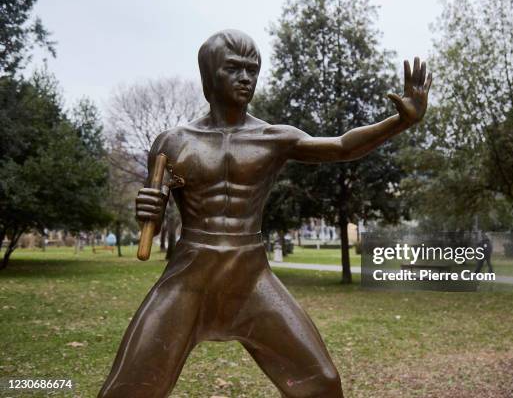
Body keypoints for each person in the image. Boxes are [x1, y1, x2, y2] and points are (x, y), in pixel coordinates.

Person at [98, 29, 431, 398]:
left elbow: (340, 147)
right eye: (234, 69)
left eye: (252, 70)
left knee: (322, 383)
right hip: (188, 278)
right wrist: (148, 207)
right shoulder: (173, 143)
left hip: (251, 279)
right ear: (210, 75)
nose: (246, 78)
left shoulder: (273, 138)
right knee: (127, 389)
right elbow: (152, 220)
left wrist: (400, 122)